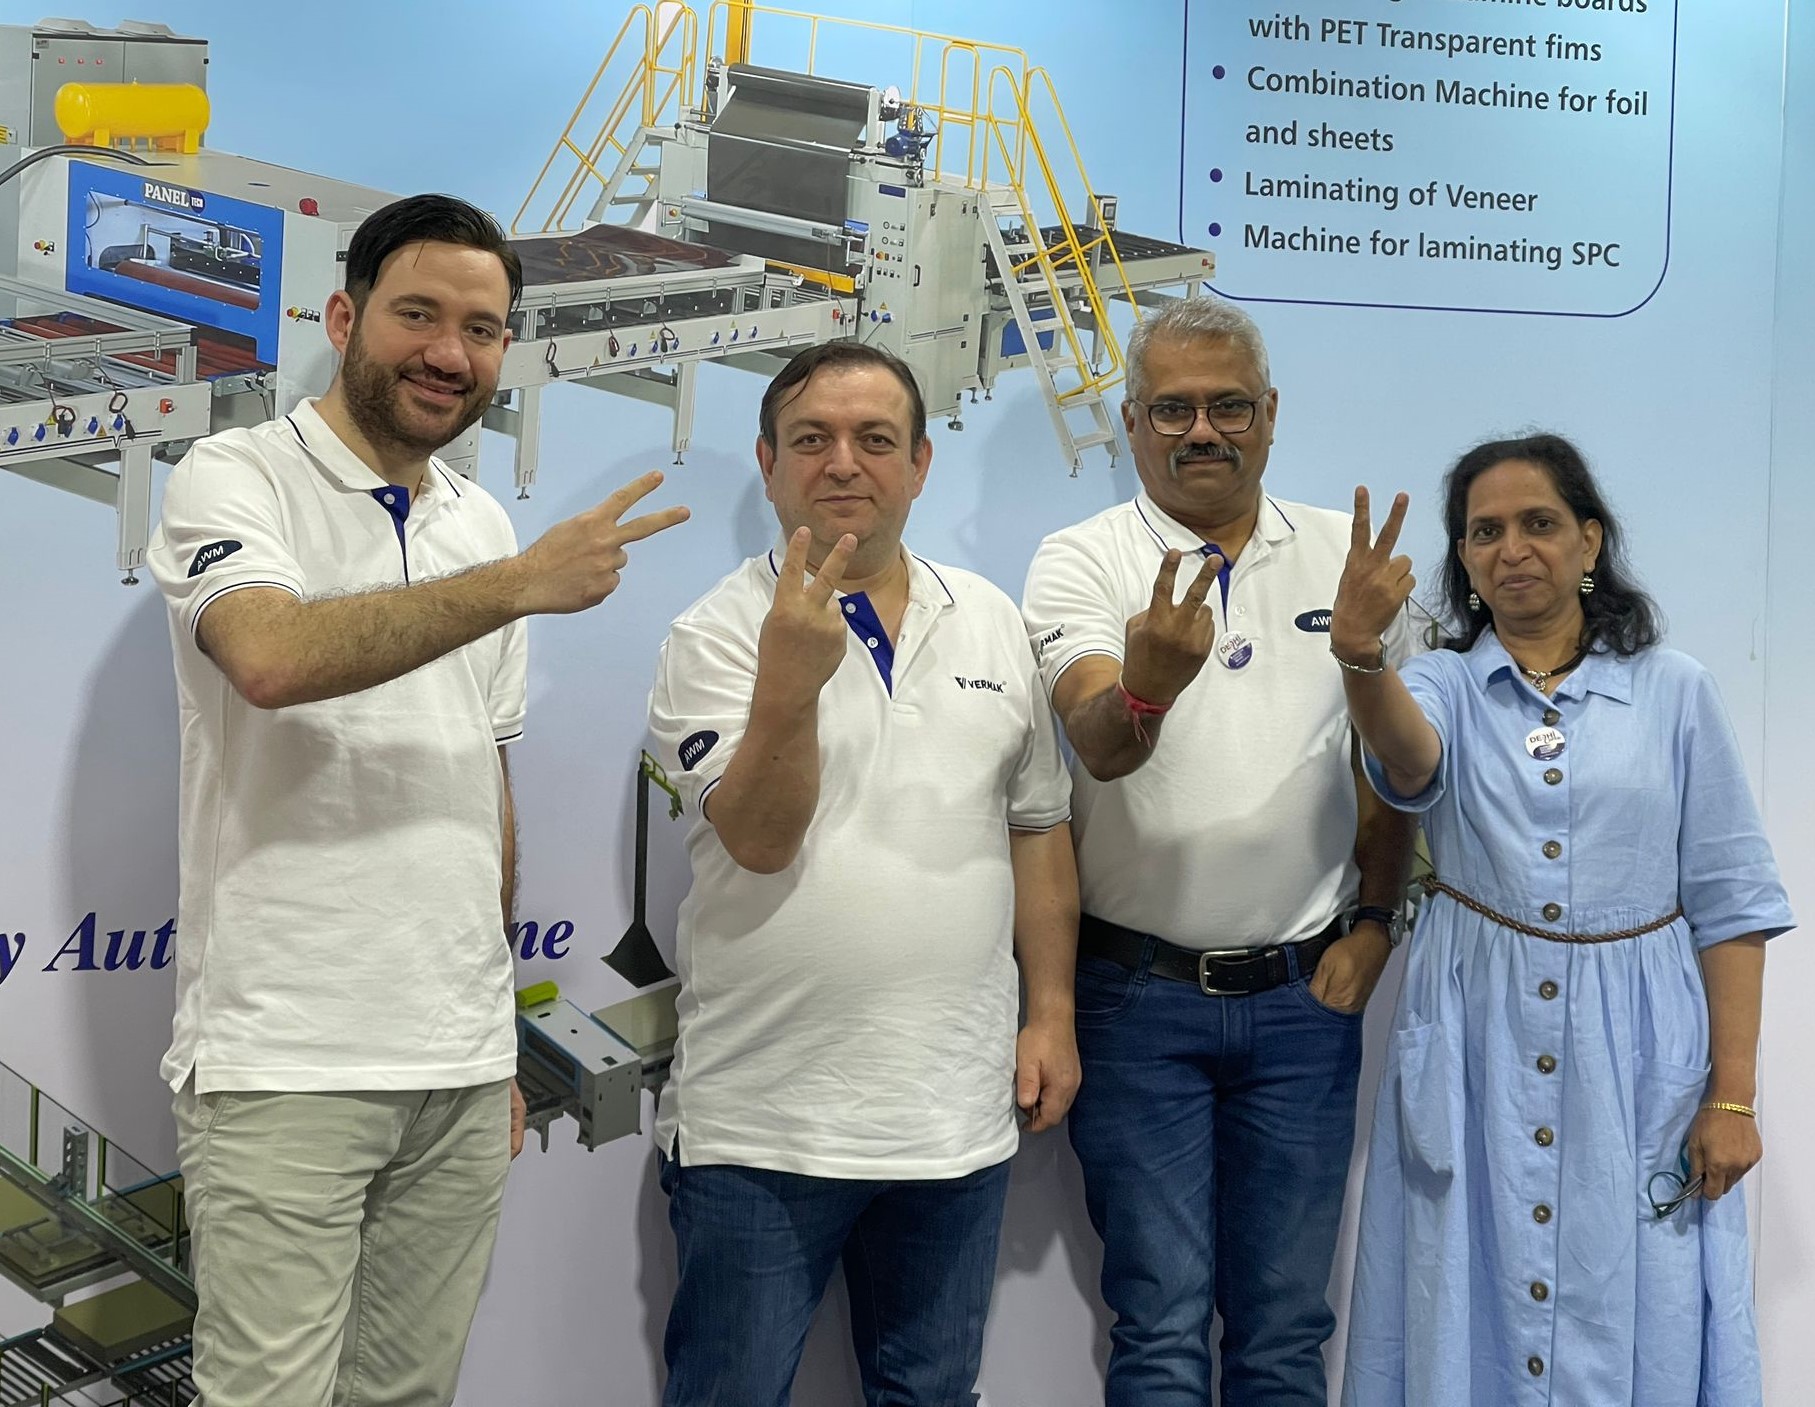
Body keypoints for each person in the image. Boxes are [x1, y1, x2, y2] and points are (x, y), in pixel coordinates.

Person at [146, 193, 689, 1407]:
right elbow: (269, 657)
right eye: (419, 315)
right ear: (345, 319)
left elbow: (484, 773)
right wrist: (514, 584)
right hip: (286, 1058)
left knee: (408, 1397)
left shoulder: (479, 519)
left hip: (458, 1063)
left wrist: (491, 1035)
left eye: (482, 330)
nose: (450, 352)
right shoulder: (235, 477)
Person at [647, 340, 1079, 1407]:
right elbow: (758, 838)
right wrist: (787, 684)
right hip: (760, 1127)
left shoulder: (989, 618)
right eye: (812, 439)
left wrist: (1052, 1014)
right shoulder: (712, 635)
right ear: (768, 464)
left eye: (875, 439)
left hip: (952, 1121)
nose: (843, 462)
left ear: (921, 464)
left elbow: (1037, 827)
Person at [1330, 433, 1793, 1406]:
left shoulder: (1674, 691)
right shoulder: (1443, 684)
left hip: (1636, 1055)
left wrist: (1733, 1097)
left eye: (1537, 523)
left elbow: (1732, 904)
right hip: (1478, 1046)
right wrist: (1361, 656)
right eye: (1484, 531)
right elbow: (1408, 760)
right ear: (1464, 559)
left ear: (1589, 541)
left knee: (1634, 1295)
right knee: (1466, 1289)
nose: (1511, 549)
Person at [1021, 296, 1419, 1405]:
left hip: (1305, 1001)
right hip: (1134, 1001)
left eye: (1229, 406)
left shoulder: (1349, 559)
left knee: (1286, 1331)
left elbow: (1391, 768)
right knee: (1157, 1328)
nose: (1202, 431)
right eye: (1173, 410)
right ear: (1132, 424)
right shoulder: (1079, 559)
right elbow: (1099, 744)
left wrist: (1377, 920)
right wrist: (1146, 686)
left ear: (1270, 414)